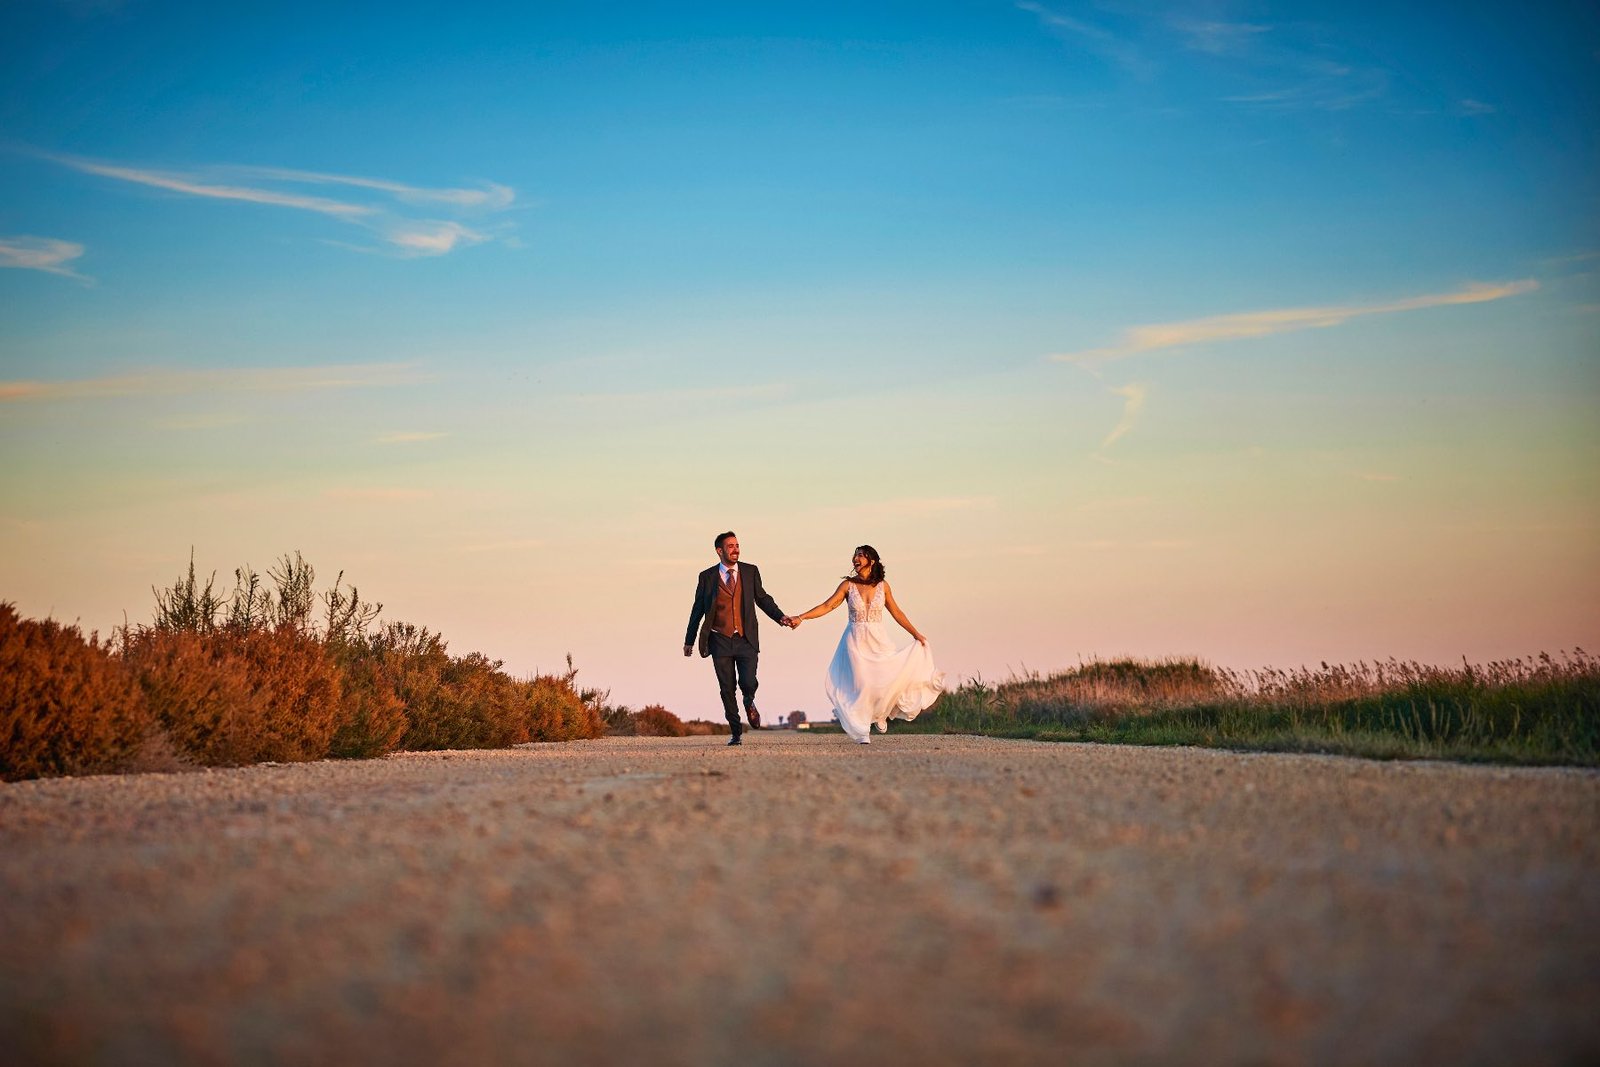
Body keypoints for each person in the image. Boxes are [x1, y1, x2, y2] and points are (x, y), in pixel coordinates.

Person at [788, 545, 943, 744]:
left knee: (884, 678)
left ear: (871, 561)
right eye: (855, 555)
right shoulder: (847, 586)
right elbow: (827, 605)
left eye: (861, 555)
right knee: (862, 683)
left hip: (878, 639)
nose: (856, 558)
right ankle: (862, 731)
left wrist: (916, 634)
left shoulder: (883, 586)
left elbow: (897, 613)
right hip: (855, 640)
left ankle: (880, 714)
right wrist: (802, 617)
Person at [683, 531, 793, 746]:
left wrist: (780, 617)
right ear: (719, 551)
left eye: (737, 545)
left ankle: (749, 700)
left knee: (748, 681)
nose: (736, 549)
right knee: (727, 688)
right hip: (719, 639)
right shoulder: (707, 577)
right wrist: (689, 640)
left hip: (746, 638)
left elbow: (762, 599)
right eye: (731, 546)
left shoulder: (750, 571)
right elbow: (697, 610)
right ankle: (736, 732)